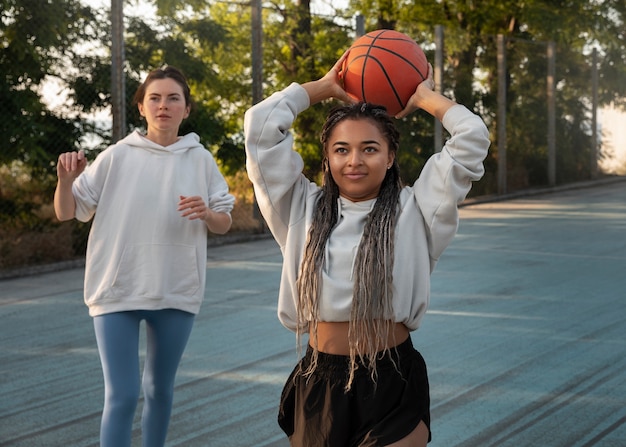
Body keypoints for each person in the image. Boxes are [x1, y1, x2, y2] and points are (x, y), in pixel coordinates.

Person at [244, 51, 490, 447]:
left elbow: (472, 137)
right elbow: (260, 127)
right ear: (327, 156)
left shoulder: (420, 210)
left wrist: (423, 97)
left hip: (392, 379)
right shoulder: (298, 207)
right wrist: (323, 88)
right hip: (319, 380)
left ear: (390, 157)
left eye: (370, 149)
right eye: (342, 149)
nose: (354, 160)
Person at [53, 66, 235, 447]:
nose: (163, 105)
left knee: (159, 390)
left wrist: (207, 213)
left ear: (187, 109)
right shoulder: (116, 156)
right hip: (116, 291)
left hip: (176, 290)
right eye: (154, 98)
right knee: (121, 395)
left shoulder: (200, 159)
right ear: (141, 106)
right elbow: (69, 211)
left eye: (173, 98)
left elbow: (224, 222)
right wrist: (65, 182)